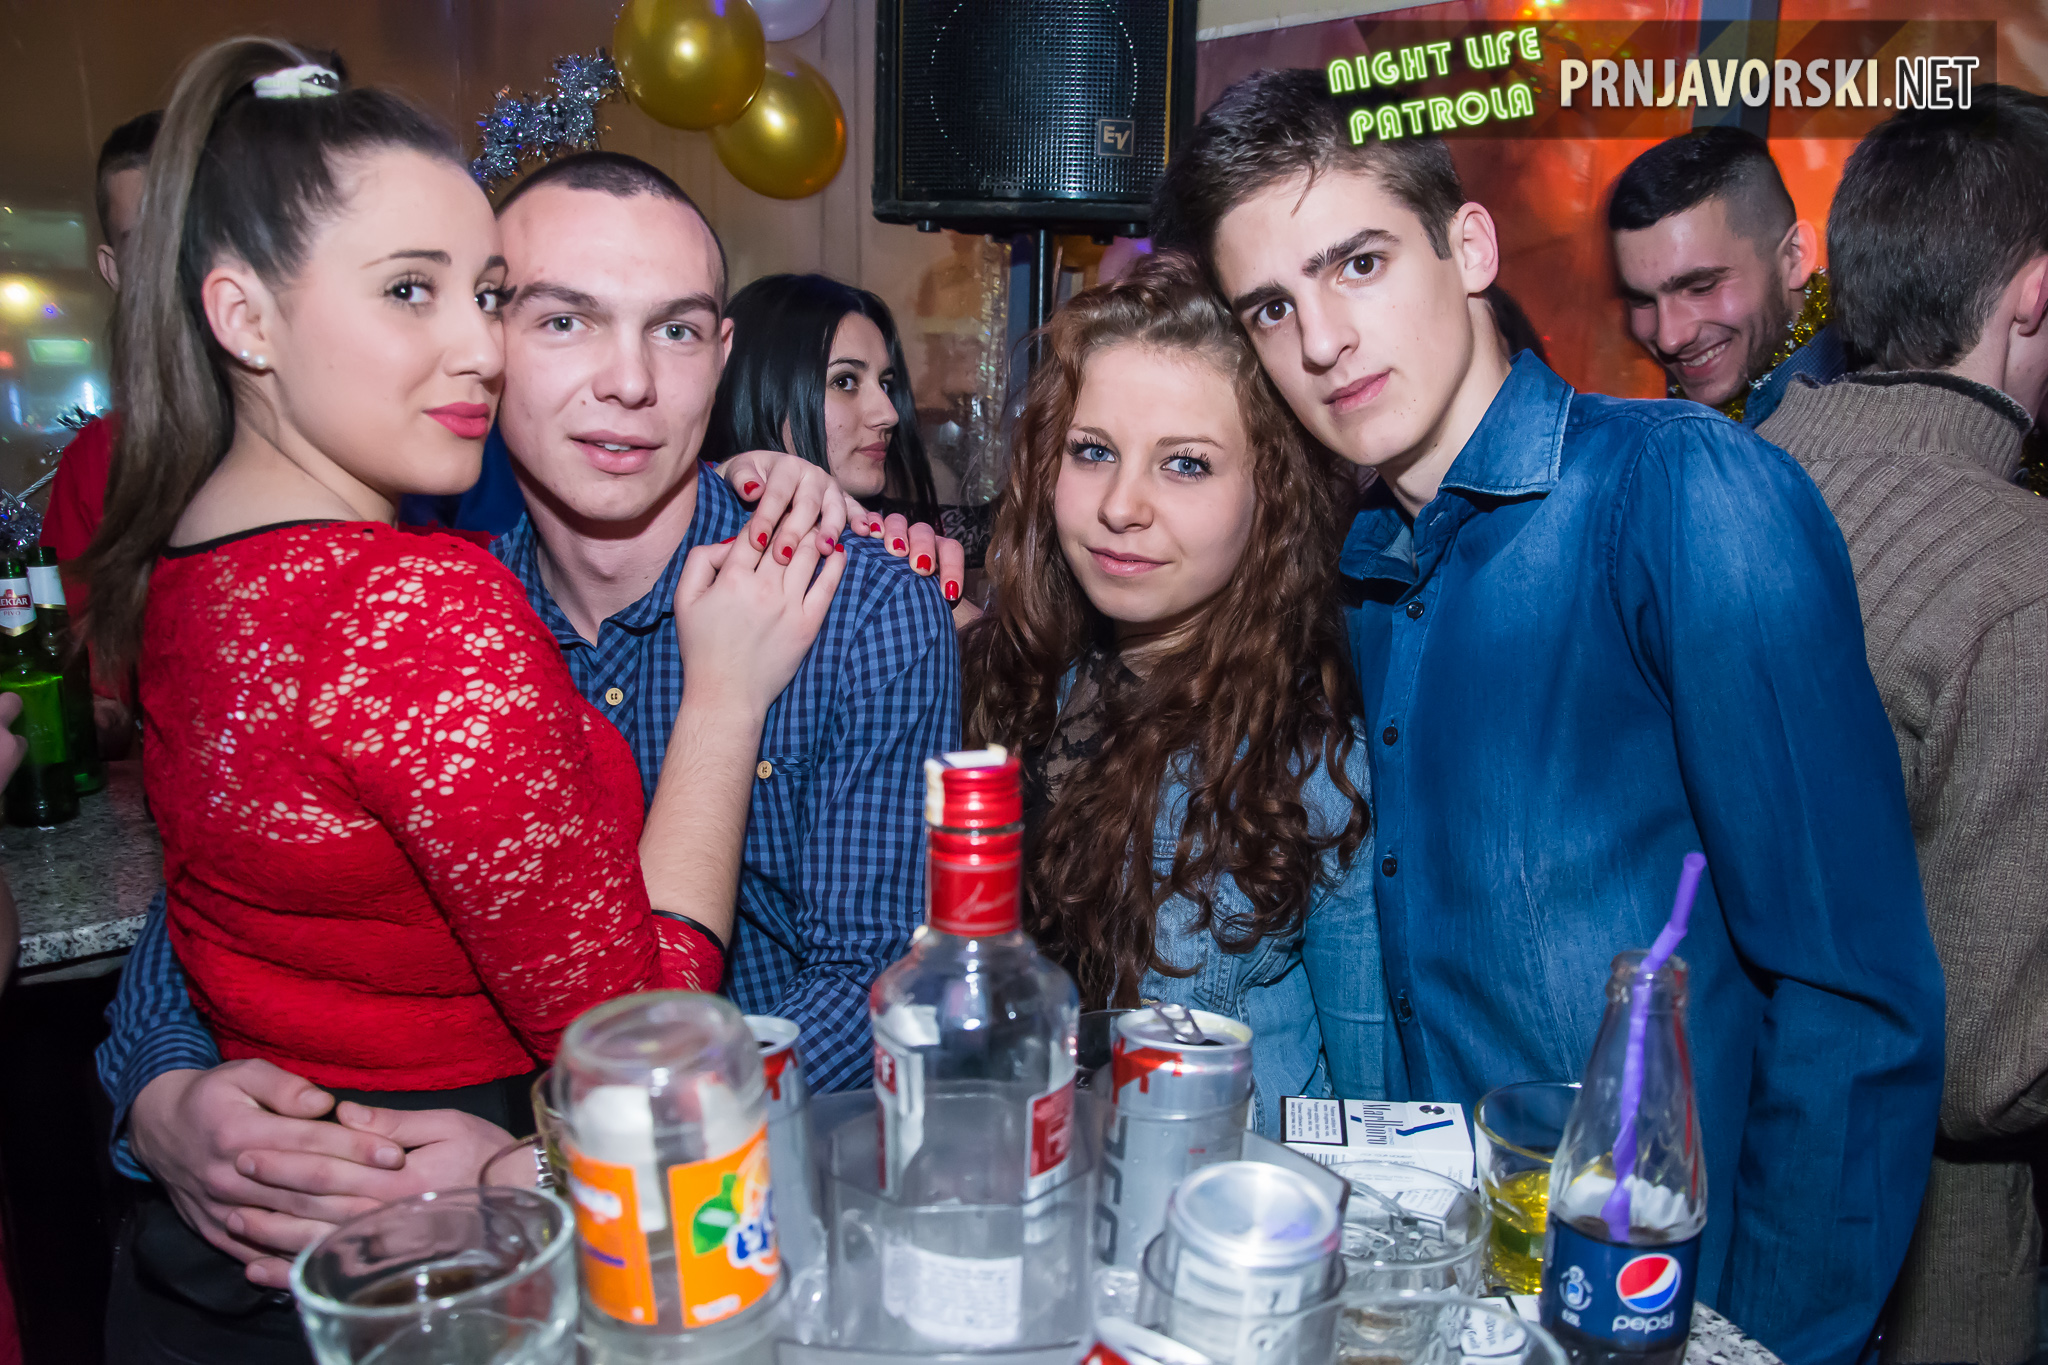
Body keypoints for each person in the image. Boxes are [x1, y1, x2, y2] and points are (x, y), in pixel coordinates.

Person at [1151, 68, 1943, 1365]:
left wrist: (1766, 1347)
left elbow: (1853, 998)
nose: (1323, 340)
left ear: (1467, 247)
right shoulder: (1357, 577)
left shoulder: (1681, 496)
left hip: (1668, 1318)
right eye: (1272, 307)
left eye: (1358, 263)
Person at [83, 40, 845, 1362]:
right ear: (243, 317)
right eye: (409, 291)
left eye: (485, 295)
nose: (475, 348)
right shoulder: (418, 606)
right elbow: (638, 1047)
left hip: (244, 1277)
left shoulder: (187, 572)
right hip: (446, 1284)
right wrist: (723, 700)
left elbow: (266, 909)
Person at [1754, 86, 2048, 1365]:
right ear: (2032, 293)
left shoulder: (1725, 472)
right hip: (1915, 1273)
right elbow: (1989, 1067)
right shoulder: (2016, 578)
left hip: (1711, 1211)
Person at [961, 252, 1384, 1131]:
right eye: (1093, 451)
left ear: (1272, 493)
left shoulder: (1315, 762)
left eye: (1185, 464)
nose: (1121, 505)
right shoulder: (1003, 680)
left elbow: (1371, 1115)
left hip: (1206, 1200)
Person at [711, 272, 989, 621]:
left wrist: (923, 580)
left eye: (884, 384)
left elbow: (989, 528)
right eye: (844, 381)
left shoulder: (873, 532)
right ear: (762, 393)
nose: (889, 414)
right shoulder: (706, 541)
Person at [40, 108, 161, 757]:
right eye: (150, 248)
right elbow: (97, 692)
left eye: (200, 235)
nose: (180, 269)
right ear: (115, 270)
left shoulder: (350, 432)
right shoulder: (96, 463)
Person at [1608, 126, 1844, 424]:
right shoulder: (1671, 428)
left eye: (1702, 287)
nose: (1670, 338)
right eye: (1642, 300)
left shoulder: (1859, 422)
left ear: (1795, 257)